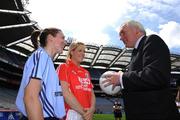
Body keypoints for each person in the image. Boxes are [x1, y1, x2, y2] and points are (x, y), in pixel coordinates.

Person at [103, 20, 180, 120]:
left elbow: (155, 75)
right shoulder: (135, 52)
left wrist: (122, 78)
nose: (120, 38)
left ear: (137, 30)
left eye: (123, 32)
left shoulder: (152, 40)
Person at [15, 28, 66, 120]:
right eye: (62, 38)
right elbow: (30, 97)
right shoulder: (41, 56)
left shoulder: (47, 60)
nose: (65, 42)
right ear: (50, 38)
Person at [56, 41, 96, 120]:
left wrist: (92, 109)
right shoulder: (64, 67)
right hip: (72, 112)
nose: (83, 53)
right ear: (71, 52)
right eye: (80, 50)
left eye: (84, 51)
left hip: (87, 113)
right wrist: (84, 113)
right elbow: (65, 93)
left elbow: (92, 93)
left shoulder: (86, 72)